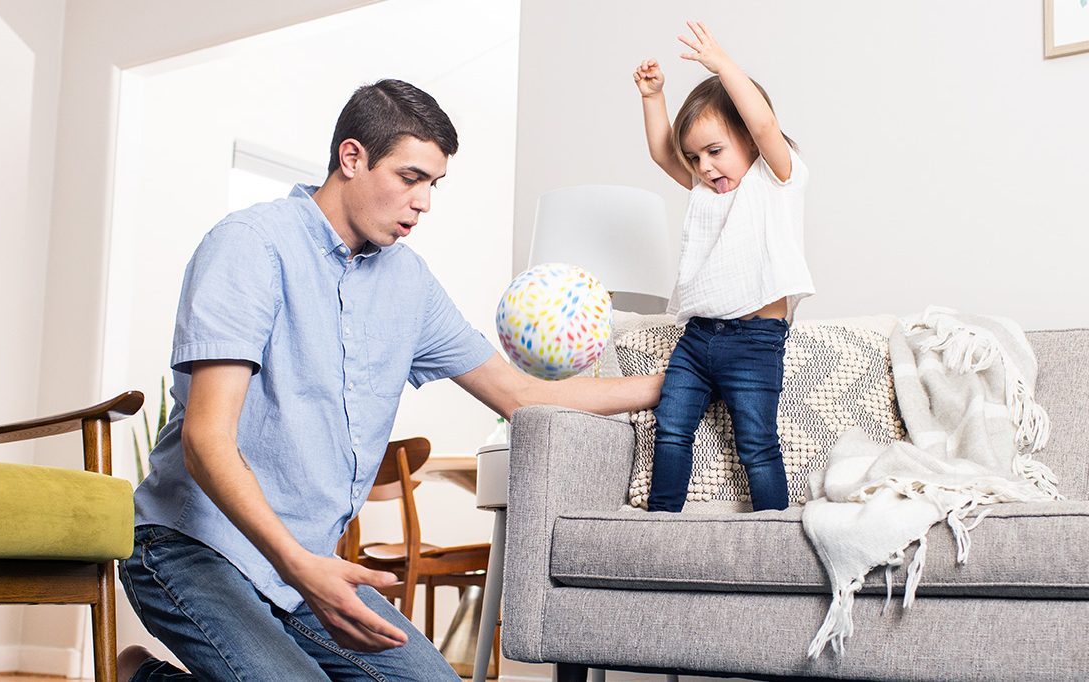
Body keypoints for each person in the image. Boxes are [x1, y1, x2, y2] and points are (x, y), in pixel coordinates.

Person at [116, 79, 662, 681]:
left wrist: (673, 382)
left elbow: (521, 395)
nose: (423, 202)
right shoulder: (250, 247)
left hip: (308, 569)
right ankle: (146, 676)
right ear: (352, 158)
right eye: (410, 177)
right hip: (193, 548)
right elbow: (206, 442)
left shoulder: (410, 284)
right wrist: (301, 566)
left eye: (434, 184)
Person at [633, 22, 814, 513]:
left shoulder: (777, 177)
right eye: (697, 157)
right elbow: (660, 153)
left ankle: (772, 534)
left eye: (716, 151)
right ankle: (661, 524)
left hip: (756, 341)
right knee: (671, 430)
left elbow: (763, 125)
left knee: (757, 444)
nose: (707, 166)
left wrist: (723, 66)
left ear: (747, 143)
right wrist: (654, 97)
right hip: (698, 339)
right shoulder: (704, 189)